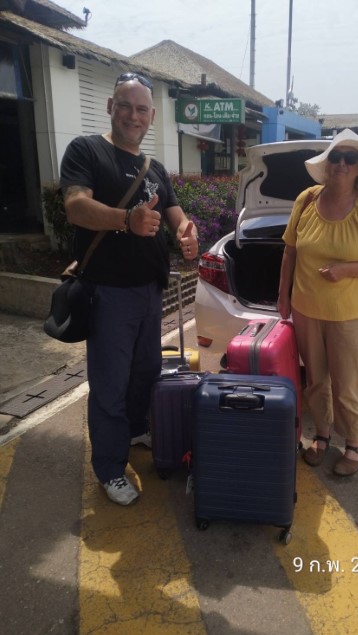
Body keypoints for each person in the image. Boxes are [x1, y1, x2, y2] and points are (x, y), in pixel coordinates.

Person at [60, 72, 198, 505]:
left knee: (145, 372)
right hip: (109, 292)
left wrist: (187, 230)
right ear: (110, 107)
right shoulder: (87, 150)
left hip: (150, 291)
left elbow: (175, 212)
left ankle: (136, 429)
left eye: (141, 109)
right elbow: (75, 206)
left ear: (152, 116)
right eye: (125, 105)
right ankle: (109, 467)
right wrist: (126, 220)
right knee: (110, 383)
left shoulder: (153, 168)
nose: (133, 116)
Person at [277, 129, 358, 476]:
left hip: (349, 313)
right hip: (306, 309)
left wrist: (345, 270)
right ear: (326, 162)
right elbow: (290, 251)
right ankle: (322, 435)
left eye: (351, 158)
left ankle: (353, 444)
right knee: (316, 380)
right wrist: (283, 295)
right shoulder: (306, 199)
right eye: (336, 156)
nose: (342, 163)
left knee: (347, 384)